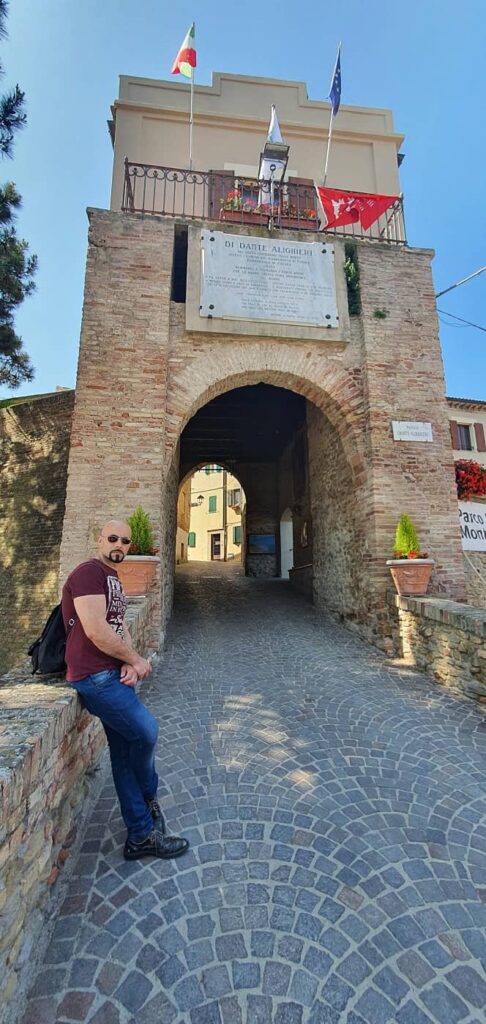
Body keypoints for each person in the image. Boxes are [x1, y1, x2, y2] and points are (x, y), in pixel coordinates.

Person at [61, 519, 189, 861]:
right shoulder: (88, 573)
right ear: (99, 539)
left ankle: (140, 835)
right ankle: (149, 797)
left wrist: (129, 662)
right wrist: (135, 659)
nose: (119, 544)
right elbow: (95, 629)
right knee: (146, 733)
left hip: (110, 673)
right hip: (93, 677)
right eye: (113, 538)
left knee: (122, 755)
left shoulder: (112, 578)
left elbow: (119, 626)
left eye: (126, 541)